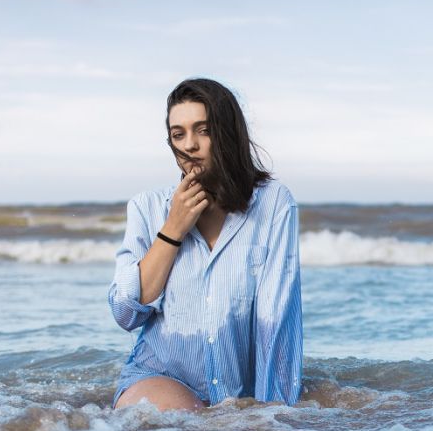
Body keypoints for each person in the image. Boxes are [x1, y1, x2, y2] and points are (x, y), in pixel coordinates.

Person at [108, 78, 303, 412]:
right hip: (163, 378)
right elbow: (126, 314)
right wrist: (173, 229)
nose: (191, 146)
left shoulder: (274, 204)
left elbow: (277, 320)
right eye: (178, 134)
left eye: (203, 130)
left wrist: (275, 416)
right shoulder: (147, 208)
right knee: (184, 425)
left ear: (227, 133)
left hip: (238, 391)